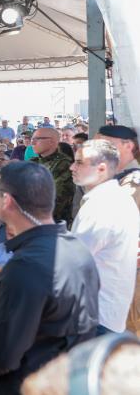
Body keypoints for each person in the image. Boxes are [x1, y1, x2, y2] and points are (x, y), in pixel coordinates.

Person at [0, 161, 100, 393]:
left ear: (7, 201)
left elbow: (3, 356)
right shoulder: (77, 248)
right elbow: (52, 325)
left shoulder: (23, 266)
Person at [70, 140, 139, 335]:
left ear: (101, 168)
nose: (72, 167)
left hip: (96, 317)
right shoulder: (114, 198)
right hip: (103, 315)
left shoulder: (103, 205)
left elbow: (73, 262)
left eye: (79, 162)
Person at [29, 128, 75, 224]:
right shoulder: (33, 162)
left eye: (37, 139)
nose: (32, 143)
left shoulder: (64, 164)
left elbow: (57, 200)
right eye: (32, 139)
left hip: (55, 225)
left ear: (51, 141)